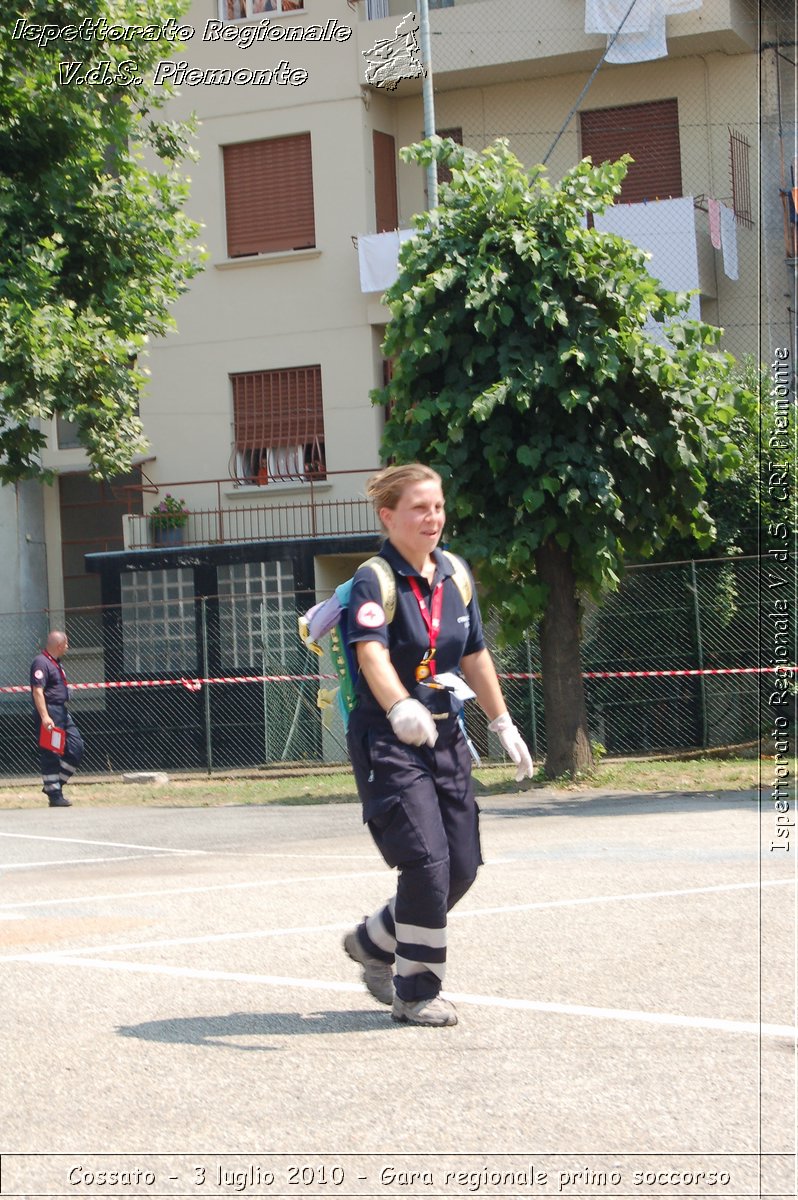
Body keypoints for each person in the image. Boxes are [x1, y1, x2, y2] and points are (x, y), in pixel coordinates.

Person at [343, 464, 534, 1027]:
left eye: (439, 507)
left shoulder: (455, 574)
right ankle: (415, 991)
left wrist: (502, 723)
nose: (433, 518)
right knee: (426, 863)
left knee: (462, 867)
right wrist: (399, 704)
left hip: (446, 734)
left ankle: (374, 942)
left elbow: (473, 653)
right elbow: (370, 652)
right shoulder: (373, 580)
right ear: (389, 516)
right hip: (390, 740)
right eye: (420, 508)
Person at [30, 630, 84, 808]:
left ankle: (54, 785)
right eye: (66, 644)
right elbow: (38, 691)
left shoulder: (56, 663)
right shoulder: (41, 662)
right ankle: (55, 795)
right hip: (50, 713)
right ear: (59, 645)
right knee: (52, 752)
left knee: (76, 747)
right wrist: (45, 717)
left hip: (62, 712)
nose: (68, 647)